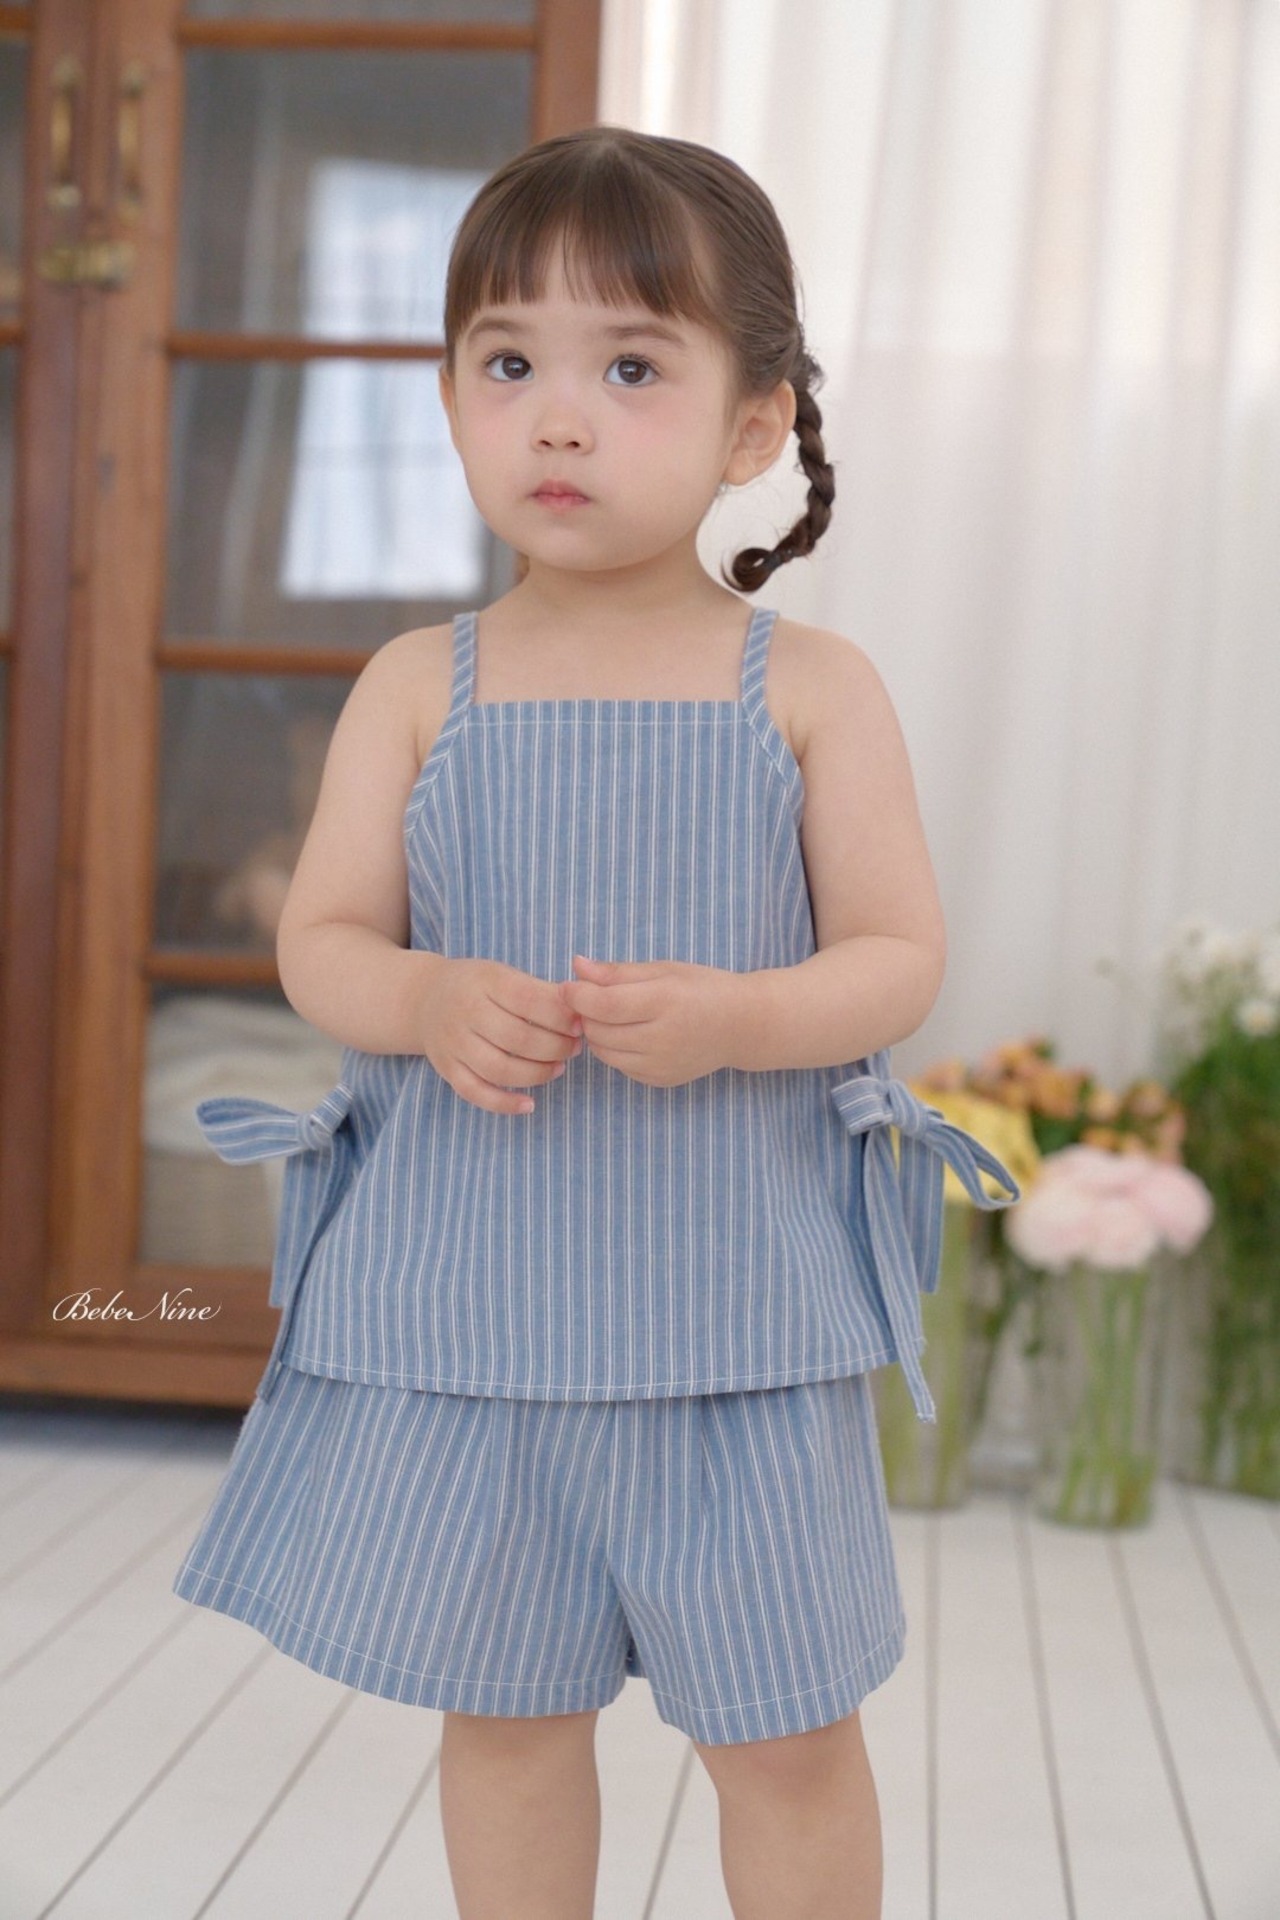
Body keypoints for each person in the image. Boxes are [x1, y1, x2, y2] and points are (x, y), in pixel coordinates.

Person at [172, 126, 1019, 1920]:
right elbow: (323, 943)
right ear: (452, 400)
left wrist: (746, 1017)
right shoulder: (419, 687)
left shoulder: (808, 689)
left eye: (630, 369)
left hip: (740, 1324)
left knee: (787, 1741)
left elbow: (897, 956)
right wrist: (422, 994)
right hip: (481, 1319)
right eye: (510, 366)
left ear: (751, 426)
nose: (559, 419)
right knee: (506, 1723)